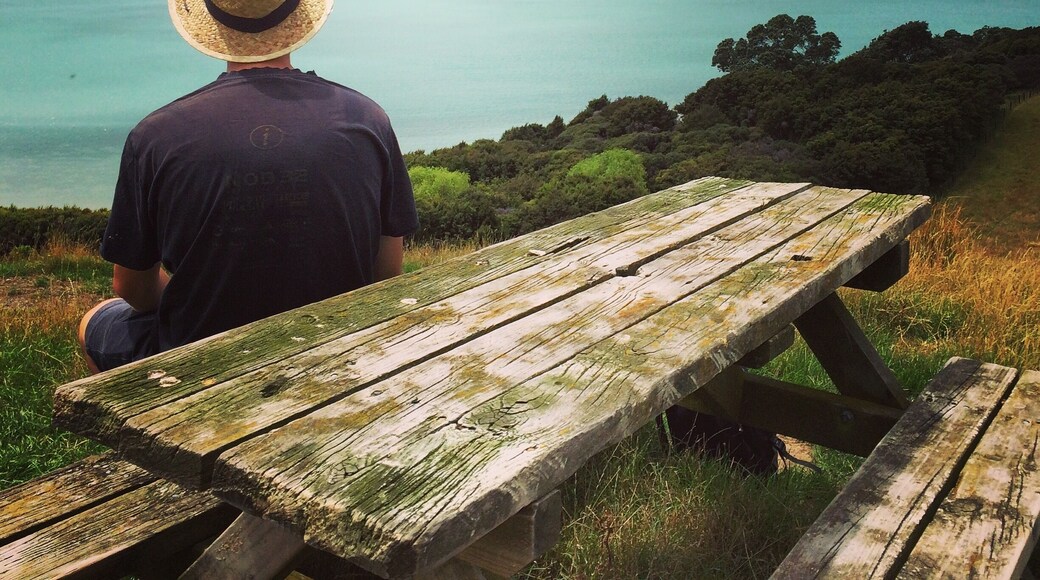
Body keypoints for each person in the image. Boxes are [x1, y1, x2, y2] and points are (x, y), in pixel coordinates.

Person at [78, 0, 418, 374]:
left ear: (216, 24)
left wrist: (190, 295)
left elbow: (132, 289)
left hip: (204, 362)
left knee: (93, 322)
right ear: (296, 18)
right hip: (335, 352)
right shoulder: (368, 120)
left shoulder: (155, 136)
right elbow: (387, 273)